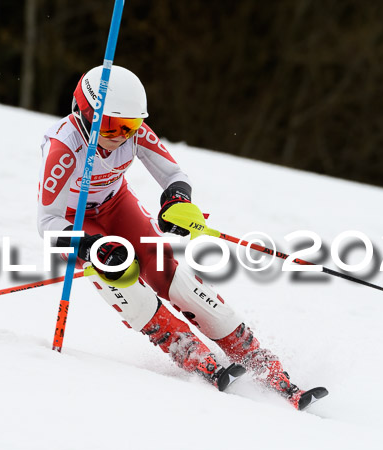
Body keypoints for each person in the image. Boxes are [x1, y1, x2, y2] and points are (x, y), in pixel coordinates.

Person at [37, 65, 324, 409]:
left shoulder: (133, 134)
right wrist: (90, 245)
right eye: (114, 126)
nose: (123, 136)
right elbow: (47, 222)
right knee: (122, 277)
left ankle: (261, 362)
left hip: (115, 204)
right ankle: (188, 350)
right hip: (74, 221)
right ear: (85, 113)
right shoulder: (63, 148)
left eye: (132, 126)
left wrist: (176, 199)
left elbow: (173, 173)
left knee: (165, 270)